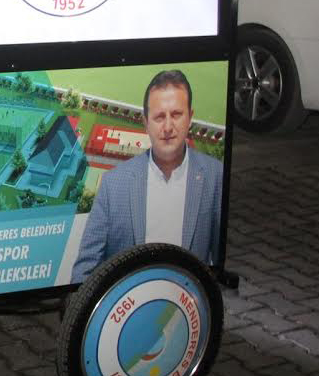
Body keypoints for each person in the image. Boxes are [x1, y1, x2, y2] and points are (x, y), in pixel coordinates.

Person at [70, 70, 224, 282]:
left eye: (176, 115)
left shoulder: (215, 176)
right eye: (159, 117)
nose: (168, 127)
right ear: (146, 122)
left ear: (190, 117)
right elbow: (85, 271)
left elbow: (221, 267)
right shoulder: (113, 184)